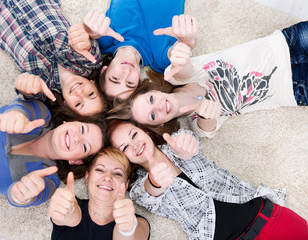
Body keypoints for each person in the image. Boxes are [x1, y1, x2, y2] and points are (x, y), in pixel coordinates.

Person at [108, 120, 308, 240]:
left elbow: (191, 144)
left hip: (268, 218)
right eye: (125, 148)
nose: (134, 145)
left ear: (146, 132)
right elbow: (149, 192)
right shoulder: (137, 190)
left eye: (134, 135)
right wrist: (155, 180)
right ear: (125, 159)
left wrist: (186, 147)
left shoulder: (178, 140)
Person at [108, 21, 308, 138]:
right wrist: (205, 115)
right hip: (295, 87)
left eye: (151, 100)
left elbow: (182, 67)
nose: (158, 106)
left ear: (153, 90)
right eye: (153, 116)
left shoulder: (175, 76)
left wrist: (182, 48)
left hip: (286, 44)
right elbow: (207, 126)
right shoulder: (196, 123)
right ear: (160, 125)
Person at [0, 98, 106, 211]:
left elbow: (26, 197)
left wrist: (21, 194)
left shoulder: (48, 180)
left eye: (85, 147)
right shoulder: (41, 114)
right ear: (70, 121)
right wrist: (16, 115)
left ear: (76, 161)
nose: (78, 138)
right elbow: (21, 108)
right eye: (83, 129)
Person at [0, 0, 106, 116]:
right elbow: (88, 43)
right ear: (94, 84)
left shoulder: (43, 90)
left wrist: (26, 89)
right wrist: (84, 37)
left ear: (67, 105)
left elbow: (26, 94)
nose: (80, 93)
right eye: (90, 94)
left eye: (78, 104)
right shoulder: (87, 62)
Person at [82, 0, 198, 101]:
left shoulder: (103, 42)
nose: (126, 72)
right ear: (139, 79)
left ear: (104, 71)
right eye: (130, 83)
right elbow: (178, 53)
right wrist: (187, 42)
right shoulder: (159, 60)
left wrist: (90, 30)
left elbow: (92, 33)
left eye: (115, 78)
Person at [48, 147, 150, 240]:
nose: (107, 177)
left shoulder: (139, 223)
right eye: (100, 170)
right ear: (87, 177)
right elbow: (70, 217)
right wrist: (66, 211)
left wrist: (127, 231)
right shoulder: (69, 203)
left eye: (117, 173)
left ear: (126, 184)